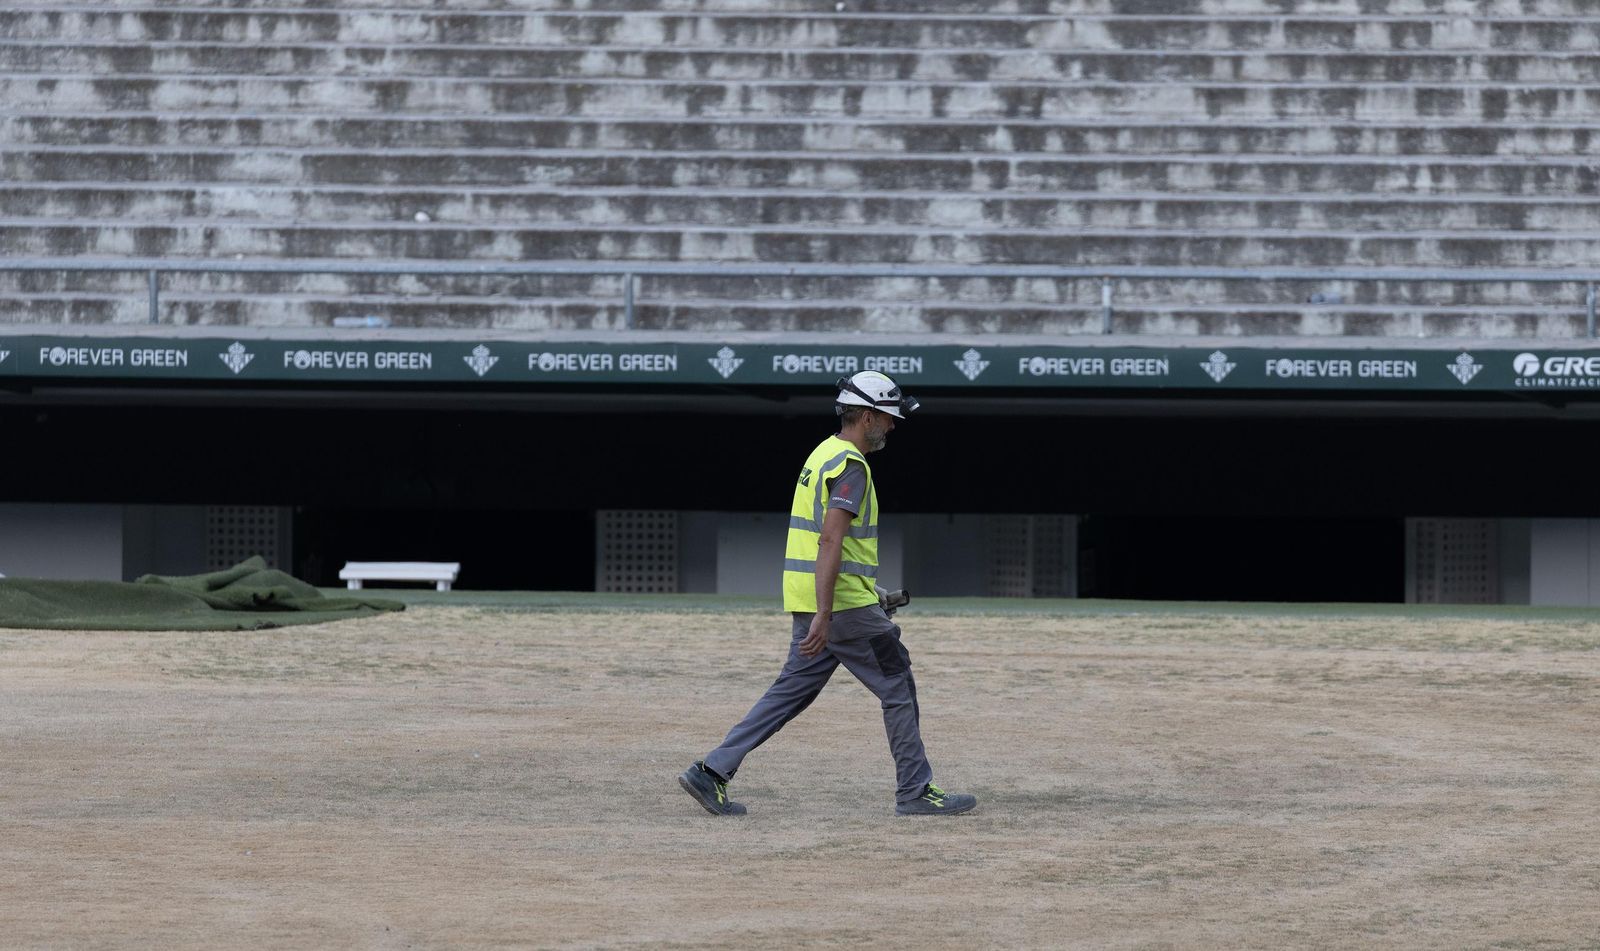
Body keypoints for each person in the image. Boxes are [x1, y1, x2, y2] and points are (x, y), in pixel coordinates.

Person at [678, 370, 977, 817]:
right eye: (888, 418)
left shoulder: (822, 454)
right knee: (898, 686)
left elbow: (828, 542)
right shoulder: (852, 467)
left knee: (789, 692)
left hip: (822, 602)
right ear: (867, 416)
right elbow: (830, 540)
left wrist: (865, 592)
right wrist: (828, 612)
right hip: (838, 609)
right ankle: (915, 792)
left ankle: (713, 770)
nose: (893, 426)